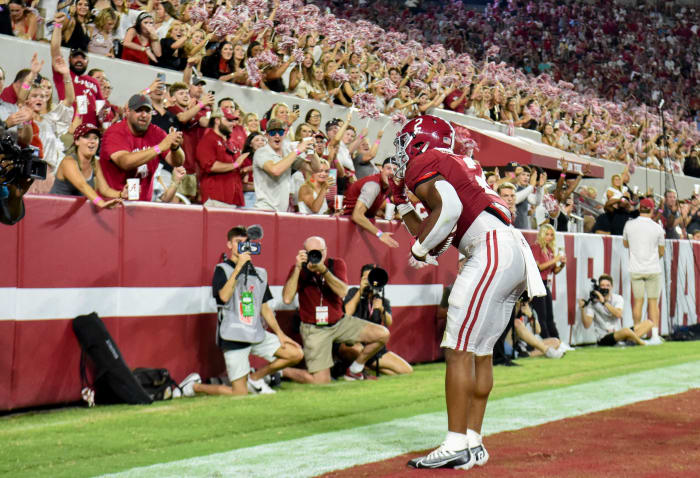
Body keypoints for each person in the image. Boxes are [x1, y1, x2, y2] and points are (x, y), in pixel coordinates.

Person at [391, 115, 544, 470]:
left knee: (458, 347)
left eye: (405, 143)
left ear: (419, 142)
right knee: (480, 351)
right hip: (510, 249)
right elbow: (438, 235)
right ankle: (473, 441)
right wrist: (402, 206)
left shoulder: (425, 161)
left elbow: (449, 212)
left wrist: (415, 253)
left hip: (489, 249)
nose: (401, 152)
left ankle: (455, 442)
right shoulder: (458, 164)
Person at [181, 226, 304, 397]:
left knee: (295, 354)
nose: (243, 247)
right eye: (239, 243)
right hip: (233, 336)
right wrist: (239, 268)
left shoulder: (260, 272)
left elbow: (265, 308)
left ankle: (255, 378)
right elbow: (223, 297)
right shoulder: (222, 269)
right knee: (240, 394)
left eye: (246, 243)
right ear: (229, 245)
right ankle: (193, 387)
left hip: (256, 333)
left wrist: (280, 334)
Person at [281, 236, 390, 383]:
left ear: (325, 251)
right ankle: (282, 371)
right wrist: (297, 268)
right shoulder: (299, 269)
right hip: (314, 329)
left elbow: (343, 291)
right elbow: (287, 299)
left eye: (319, 252)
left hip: (340, 322)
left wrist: (324, 270)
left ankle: (355, 370)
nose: (316, 256)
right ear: (304, 253)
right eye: (311, 252)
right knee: (321, 382)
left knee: (382, 334)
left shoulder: (336, 264)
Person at [99, 94, 184, 201]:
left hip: (142, 206)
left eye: (148, 111)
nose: (144, 115)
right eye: (139, 110)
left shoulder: (156, 133)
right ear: (128, 111)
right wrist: (159, 147)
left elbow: (177, 162)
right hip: (113, 204)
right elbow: (125, 162)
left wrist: (175, 148)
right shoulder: (115, 132)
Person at [341, 264, 413, 375]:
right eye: (367, 278)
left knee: (406, 371)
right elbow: (346, 313)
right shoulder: (353, 292)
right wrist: (360, 292)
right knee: (358, 350)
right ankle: (360, 366)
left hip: (374, 348)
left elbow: (389, 322)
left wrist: (382, 309)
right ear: (361, 279)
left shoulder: (382, 300)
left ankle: (366, 366)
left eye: (372, 277)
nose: (370, 281)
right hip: (354, 343)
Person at [50, 122, 124, 208]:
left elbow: (105, 189)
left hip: (74, 214)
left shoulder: (95, 162)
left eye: (95, 138)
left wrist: (121, 194)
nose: (92, 141)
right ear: (77, 141)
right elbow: (82, 185)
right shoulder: (68, 162)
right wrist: (101, 203)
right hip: (55, 210)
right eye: (86, 137)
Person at [623, 198, 665, 345]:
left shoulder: (629, 224)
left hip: (636, 268)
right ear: (652, 210)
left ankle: (637, 333)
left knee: (638, 302)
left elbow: (625, 243)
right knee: (653, 302)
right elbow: (661, 251)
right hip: (652, 268)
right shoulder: (657, 227)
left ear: (640, 208)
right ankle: (654, 335)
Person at [51, 13, 105, 127]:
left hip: (90, 133)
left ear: (88, 61)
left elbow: (101, 108)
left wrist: (104, 127)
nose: (79, 60)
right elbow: (55, 50)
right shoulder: (63, 74)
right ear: (69, 59)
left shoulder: (94, 82)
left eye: (82, 57)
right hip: (68, 128)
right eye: (75, 57)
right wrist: (58, 26)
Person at [252, 119, 314, 212]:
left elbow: (314, 168)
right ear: (267, 135)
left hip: (282, 211)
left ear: (284, 134)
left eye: (280, 132)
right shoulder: (261, 152)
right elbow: (275, 170)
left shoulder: (287, 153)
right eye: (273, 133)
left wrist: (313, 150)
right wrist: (297, 150)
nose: (277, 136)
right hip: (265, 209)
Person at [578, 274, 652, 347]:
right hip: (604, 337)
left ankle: (630, 341)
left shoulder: (618, 298)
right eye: (602, 285)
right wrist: (582, 309)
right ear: (599, 288)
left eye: (608, 285)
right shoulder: (593, 303)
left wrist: (604, 302)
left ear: (612, 287)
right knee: (626, 331)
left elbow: (618, 314)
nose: (605, 288)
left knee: (649, 323)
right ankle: (642, 343)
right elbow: (587, 325)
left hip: (618, 332)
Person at [342, 158, 400, 248]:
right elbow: (357, 215)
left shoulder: (387, 187)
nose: (392, 172)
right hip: (345, 227)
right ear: (381, 169)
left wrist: (382, 214)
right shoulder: (373, 186)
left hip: (353, 229)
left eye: (395, 170)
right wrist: (380, 234)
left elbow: (369, 209)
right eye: (388, 168)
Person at [196, 109, 246, 206]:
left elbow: (236, 169)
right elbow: (210, 166)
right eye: (229, 120)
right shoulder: (208, 140)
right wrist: (235, 165)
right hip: (217, 197)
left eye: (233, 121)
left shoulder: (231, 143)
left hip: (234, 197)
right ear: (217, 120)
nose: (232, 124)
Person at [530, 224, 565, 341]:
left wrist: (562, 264)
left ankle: (556, 340)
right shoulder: (536, 248)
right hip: (537, 284)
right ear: (541, 234)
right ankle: (547, 341)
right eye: (547, 234)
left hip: (545, 284)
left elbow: (555, 270)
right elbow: (538, 267)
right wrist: (555, 260)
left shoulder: (550, 250)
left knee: (549, 315)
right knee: (542, 316)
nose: (549, 237)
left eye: (551, 235)